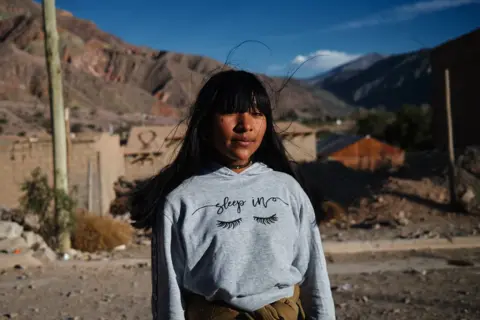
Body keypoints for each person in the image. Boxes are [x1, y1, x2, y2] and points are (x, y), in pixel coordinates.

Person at [129, 69, 336, 320]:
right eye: (230, 112)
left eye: (257, 114)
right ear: (206, 123)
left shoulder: (287, 190)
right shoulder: (182, 201)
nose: (245, 125)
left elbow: (315, 276)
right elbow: (169, 293)